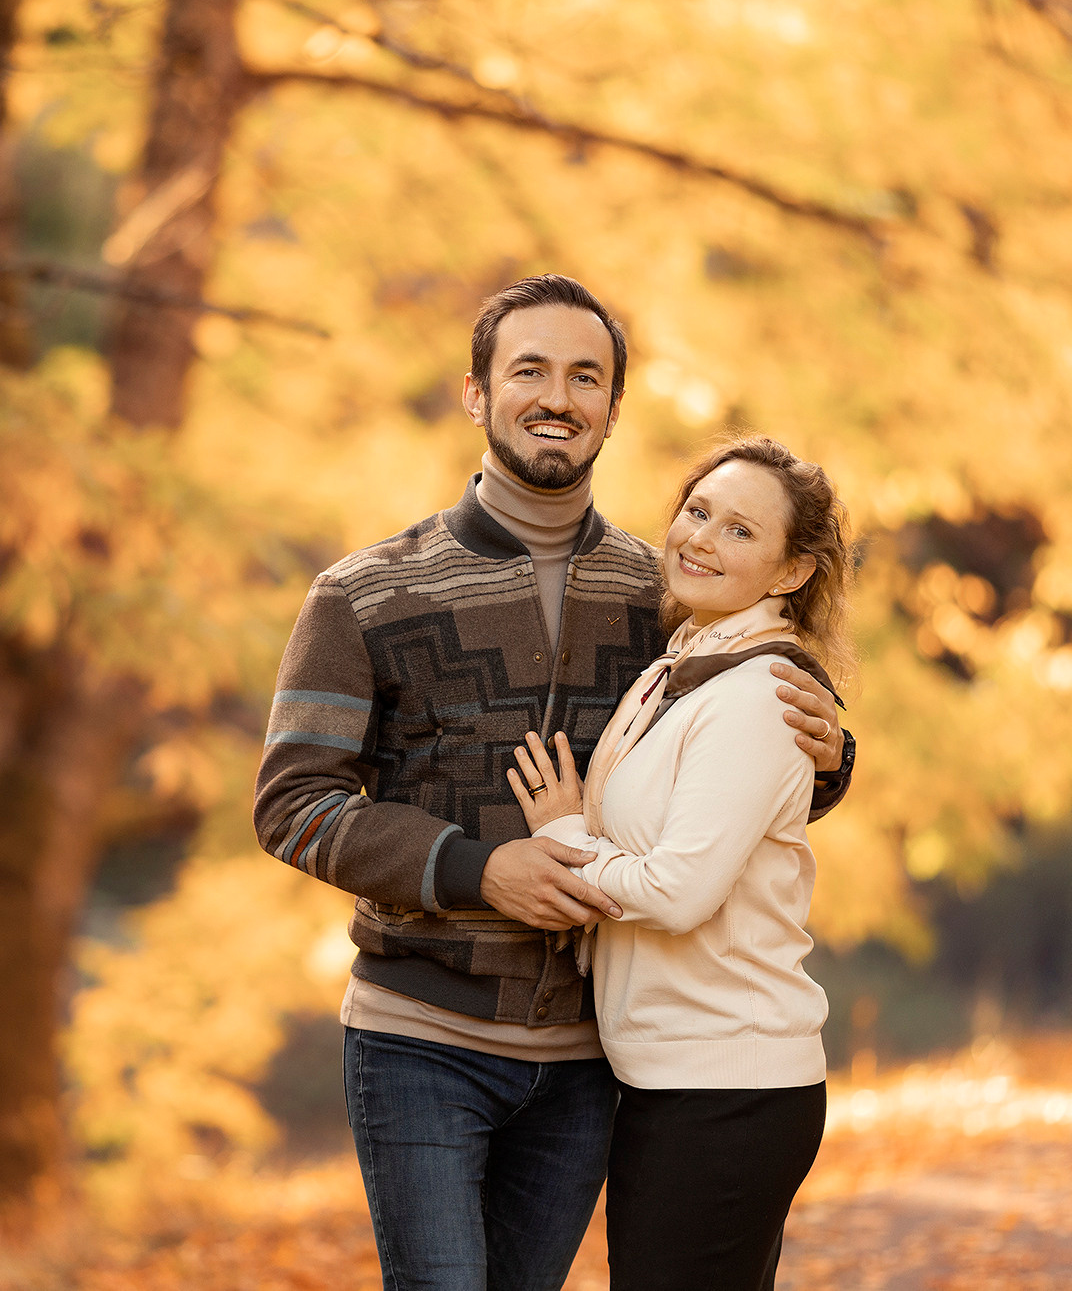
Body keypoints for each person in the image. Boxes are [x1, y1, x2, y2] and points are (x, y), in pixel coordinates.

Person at [253, 275, 855, 1291]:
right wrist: (476, 869)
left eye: (585, 377)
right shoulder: (364, 593)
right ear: (475, 394)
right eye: (527, 369)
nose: (557, 397)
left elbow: (732, 774)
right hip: (420, 1038)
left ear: (612, 410)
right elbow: (292, 805)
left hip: (587, 1056)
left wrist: (834, 757)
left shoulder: (665, 596)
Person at [508, 436, 852, 1290]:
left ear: (792, 572)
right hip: (675, 1080)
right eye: (698, 511)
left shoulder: (760, 696)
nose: (701, 538)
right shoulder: (679, 667)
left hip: (728, 1088)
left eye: (740, 531)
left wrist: (565, 837)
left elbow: (677, 891)